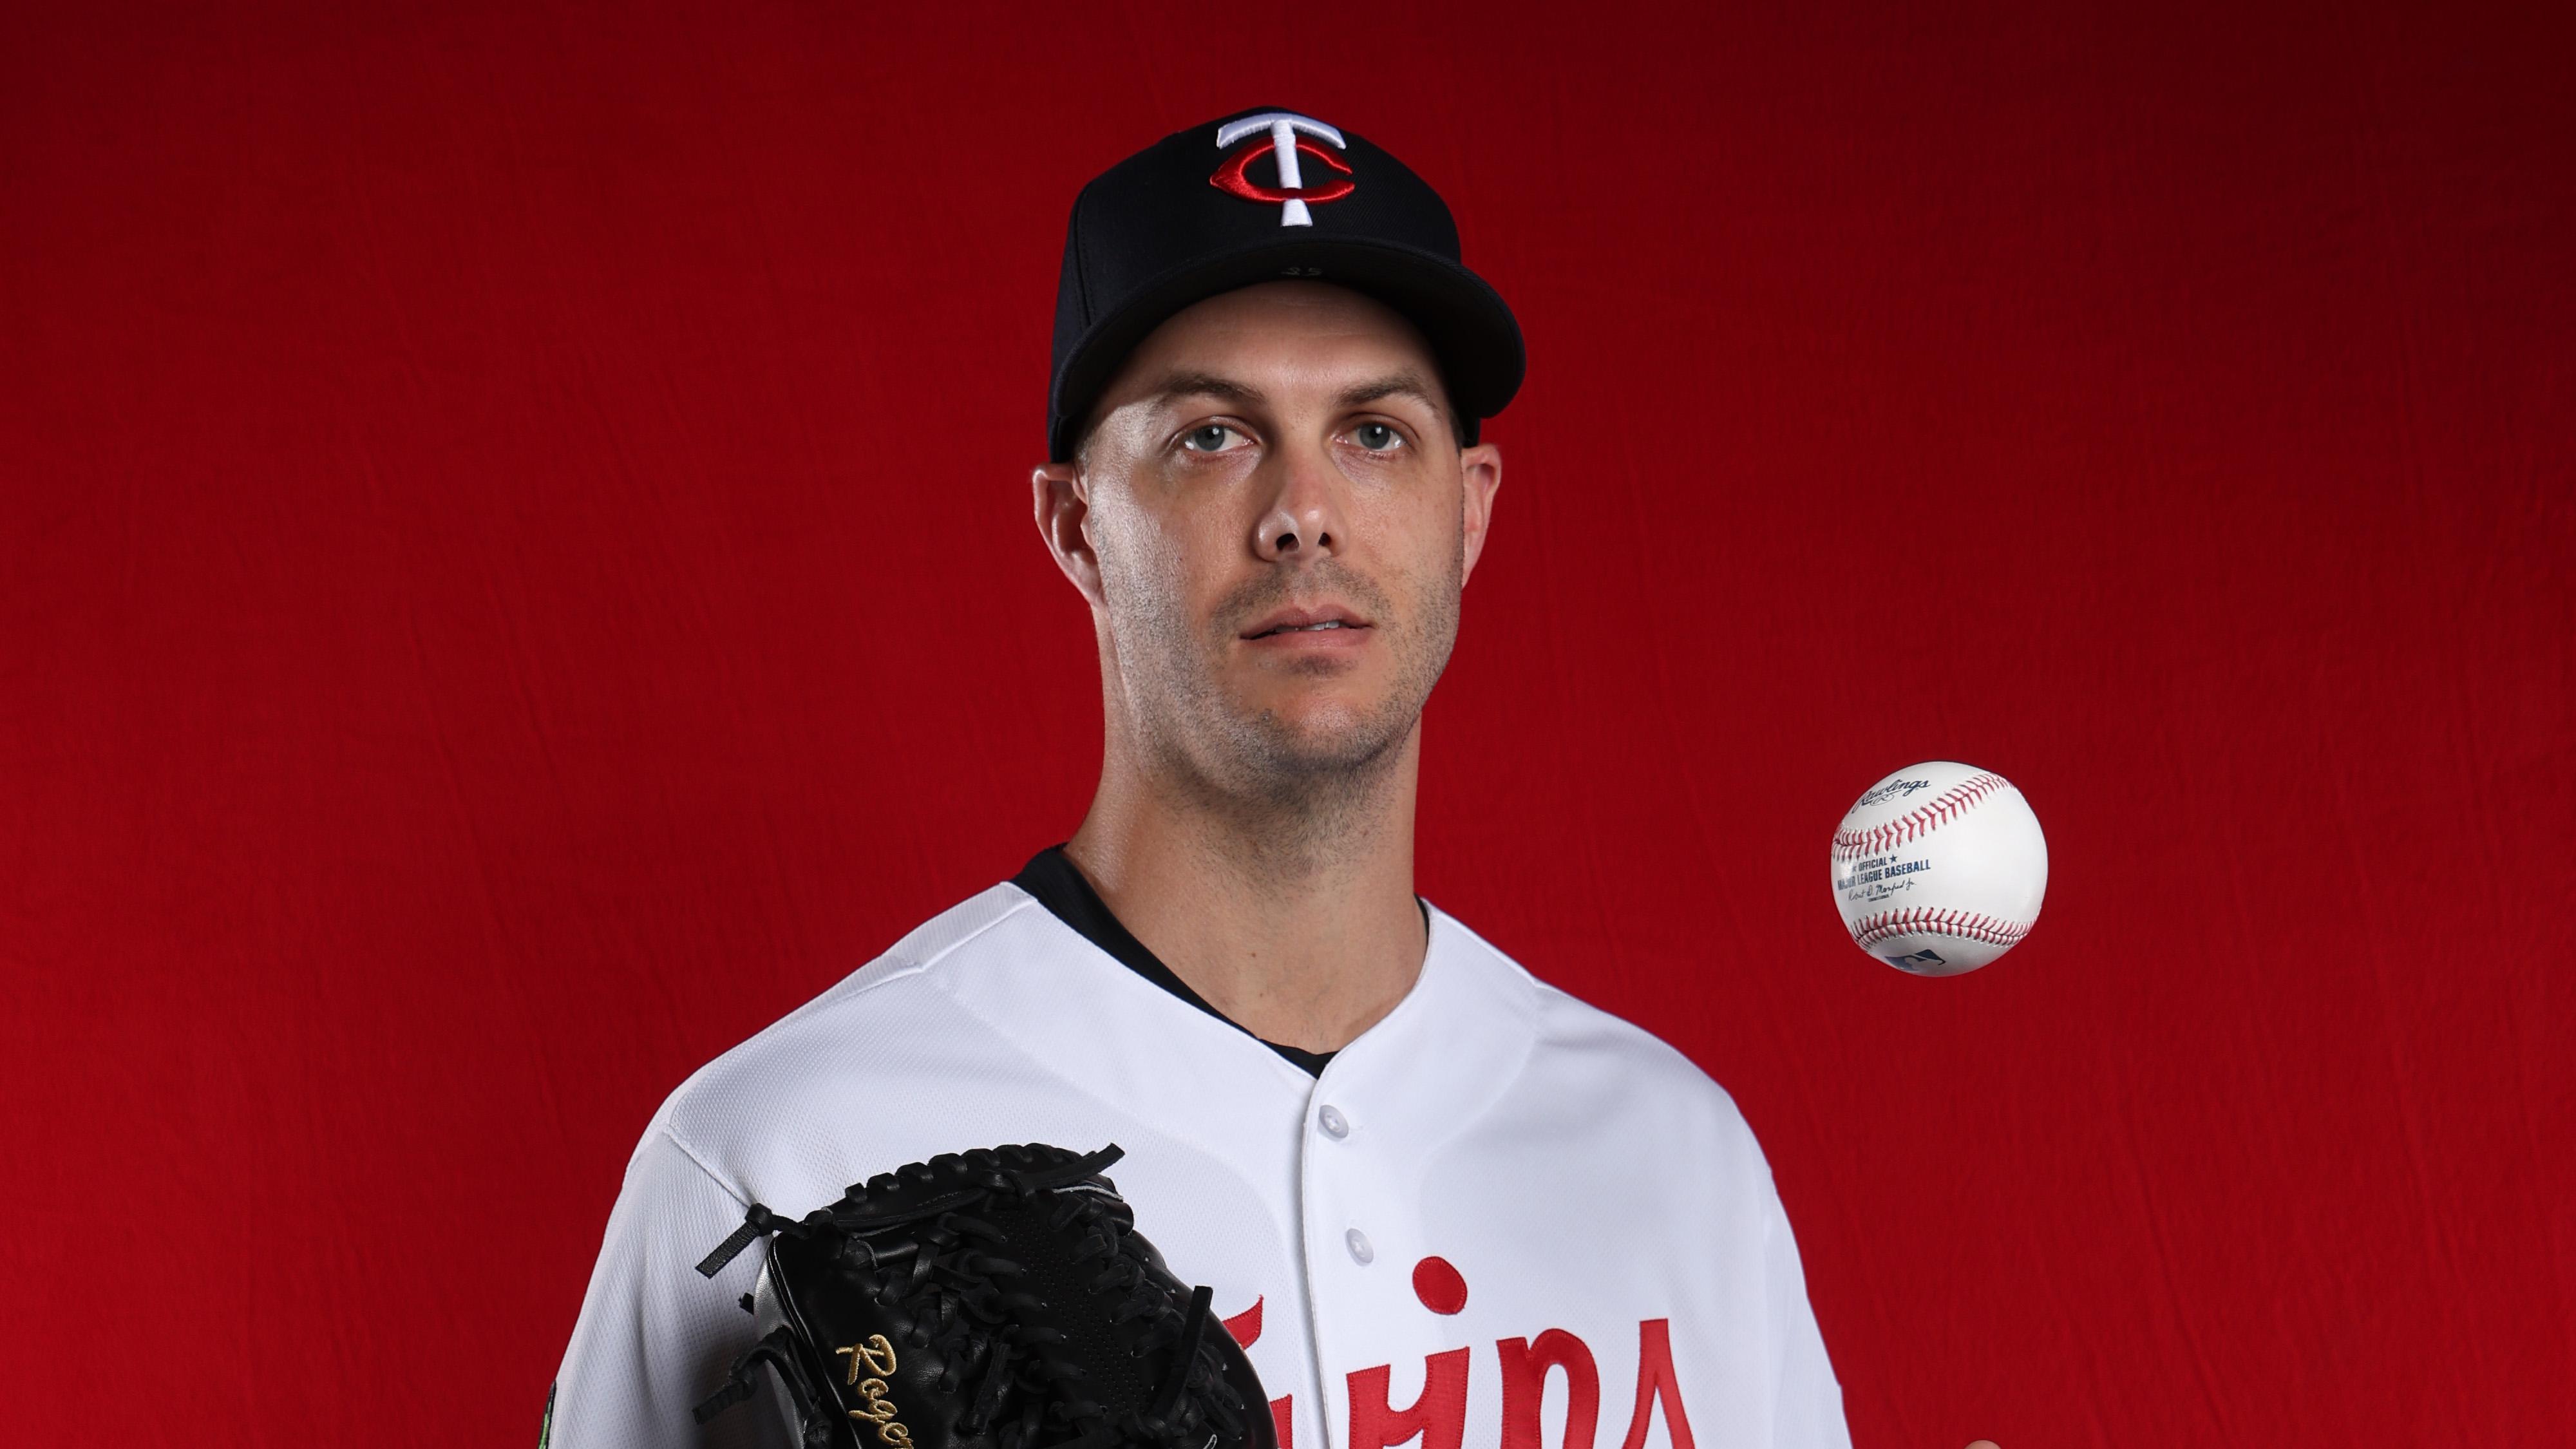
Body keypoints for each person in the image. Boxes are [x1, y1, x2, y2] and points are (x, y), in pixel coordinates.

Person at [549, 106, 1896, 1449]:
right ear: (1076, 526)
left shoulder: (1668, 1149)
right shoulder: (773, 1158)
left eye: (1373, 433)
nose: (1302, 510)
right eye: (1212, 434)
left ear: (1468, 507)